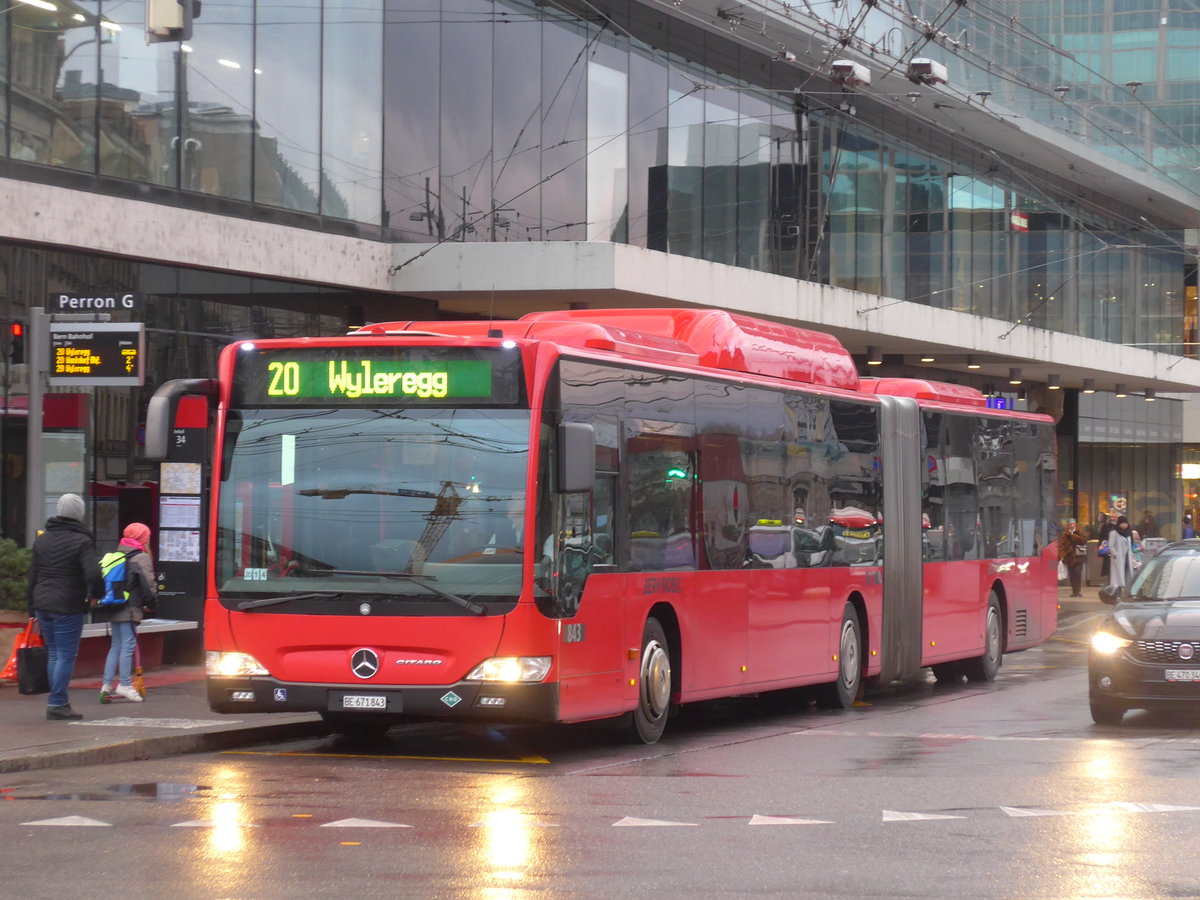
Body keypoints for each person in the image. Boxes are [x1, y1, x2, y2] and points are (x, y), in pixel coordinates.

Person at [26, 493, 105, 720]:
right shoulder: (82, 541)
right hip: (68, 605)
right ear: (79, 514)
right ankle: (58, 702)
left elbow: (33, 575)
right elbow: (92, 573)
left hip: (43, 603)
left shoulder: (43, 539)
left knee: (54, 654)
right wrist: (97, 595)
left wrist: (31, 606)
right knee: (65, 655)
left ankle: (56, 701)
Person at [94, 523, 156, 703]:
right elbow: (149, 585)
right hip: (130, 608)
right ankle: (125, 684)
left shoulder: (116, 554)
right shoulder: (141, 558)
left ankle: (106, 686)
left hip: (113, 605)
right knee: (128, 646)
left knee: (115, 646)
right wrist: (152, 604)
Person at [1107, 515, 1137, 596]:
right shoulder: (1114, 533)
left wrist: (1132, 556)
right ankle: (1117, 592)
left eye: (1125, 523)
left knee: (1127, 573)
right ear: (1119, 524)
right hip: (1118, 558)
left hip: (1127, 557)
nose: (1124, 525)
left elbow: (1130, 545)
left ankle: (1127, 591)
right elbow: (1111, 545)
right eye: (1122, 523)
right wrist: (1115, 555)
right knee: (1118, 576)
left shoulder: (1129, 533)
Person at [1058, 518, 1087, 598]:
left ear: (1075, 524)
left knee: (1078, 573)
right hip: (1069, 556)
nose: (1071, 525)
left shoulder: (1080, 532)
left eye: (1073, 524)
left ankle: (1078, 591)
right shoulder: (1065, 534)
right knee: (1072, 574)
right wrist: (1062, 555)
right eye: (1070, 524)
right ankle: (1074, 591)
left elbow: (1083, 541)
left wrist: (1074, 536)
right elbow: (1062, 545)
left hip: (1079, 556)